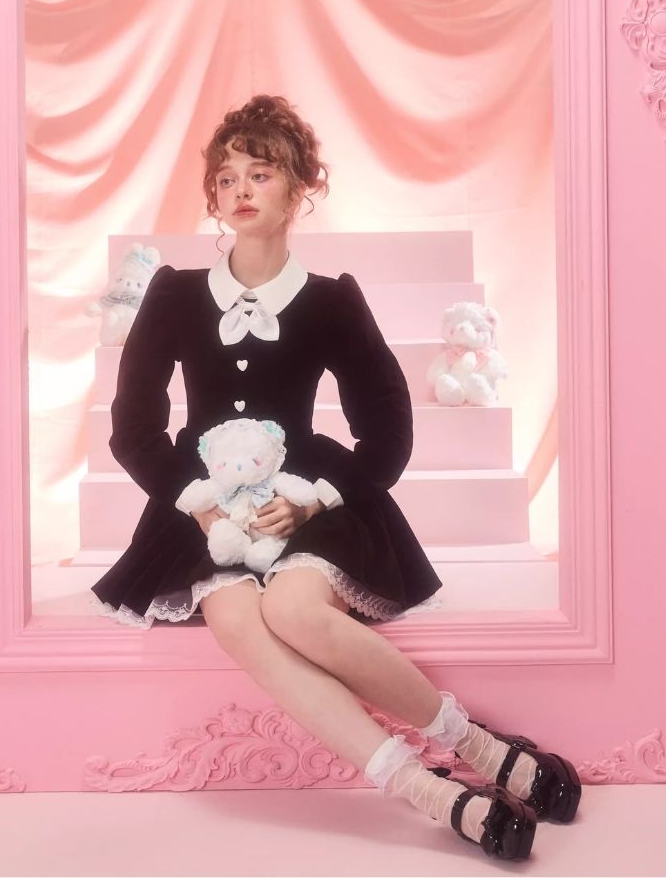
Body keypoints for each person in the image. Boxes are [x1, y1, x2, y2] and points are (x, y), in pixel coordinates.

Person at [90, 95, 580, 860]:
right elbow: (133, 427)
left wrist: (309, 500)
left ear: (299, 190)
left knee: (294, 611)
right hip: (202, 507)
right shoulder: (174, 293)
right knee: (236, 619)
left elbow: (387, 428)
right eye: (227, 178)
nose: (240, 189)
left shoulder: (331, 301)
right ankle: (432, 793)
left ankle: (479, 748)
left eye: (261, 173)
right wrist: (199, 505)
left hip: (306, 495)